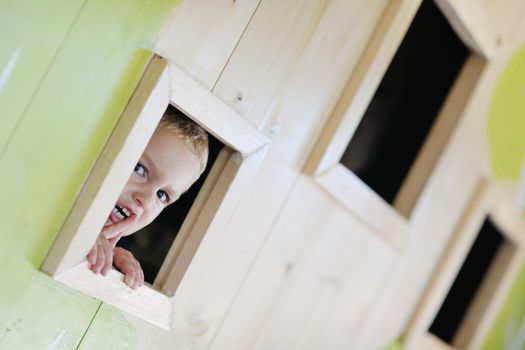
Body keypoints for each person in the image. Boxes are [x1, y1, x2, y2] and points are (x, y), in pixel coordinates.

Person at [86, 107, 208, 289]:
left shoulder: (121, 249)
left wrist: (110, 261)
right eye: (139, 169)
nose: (147, 199)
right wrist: (82, 241)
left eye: (162, 195)